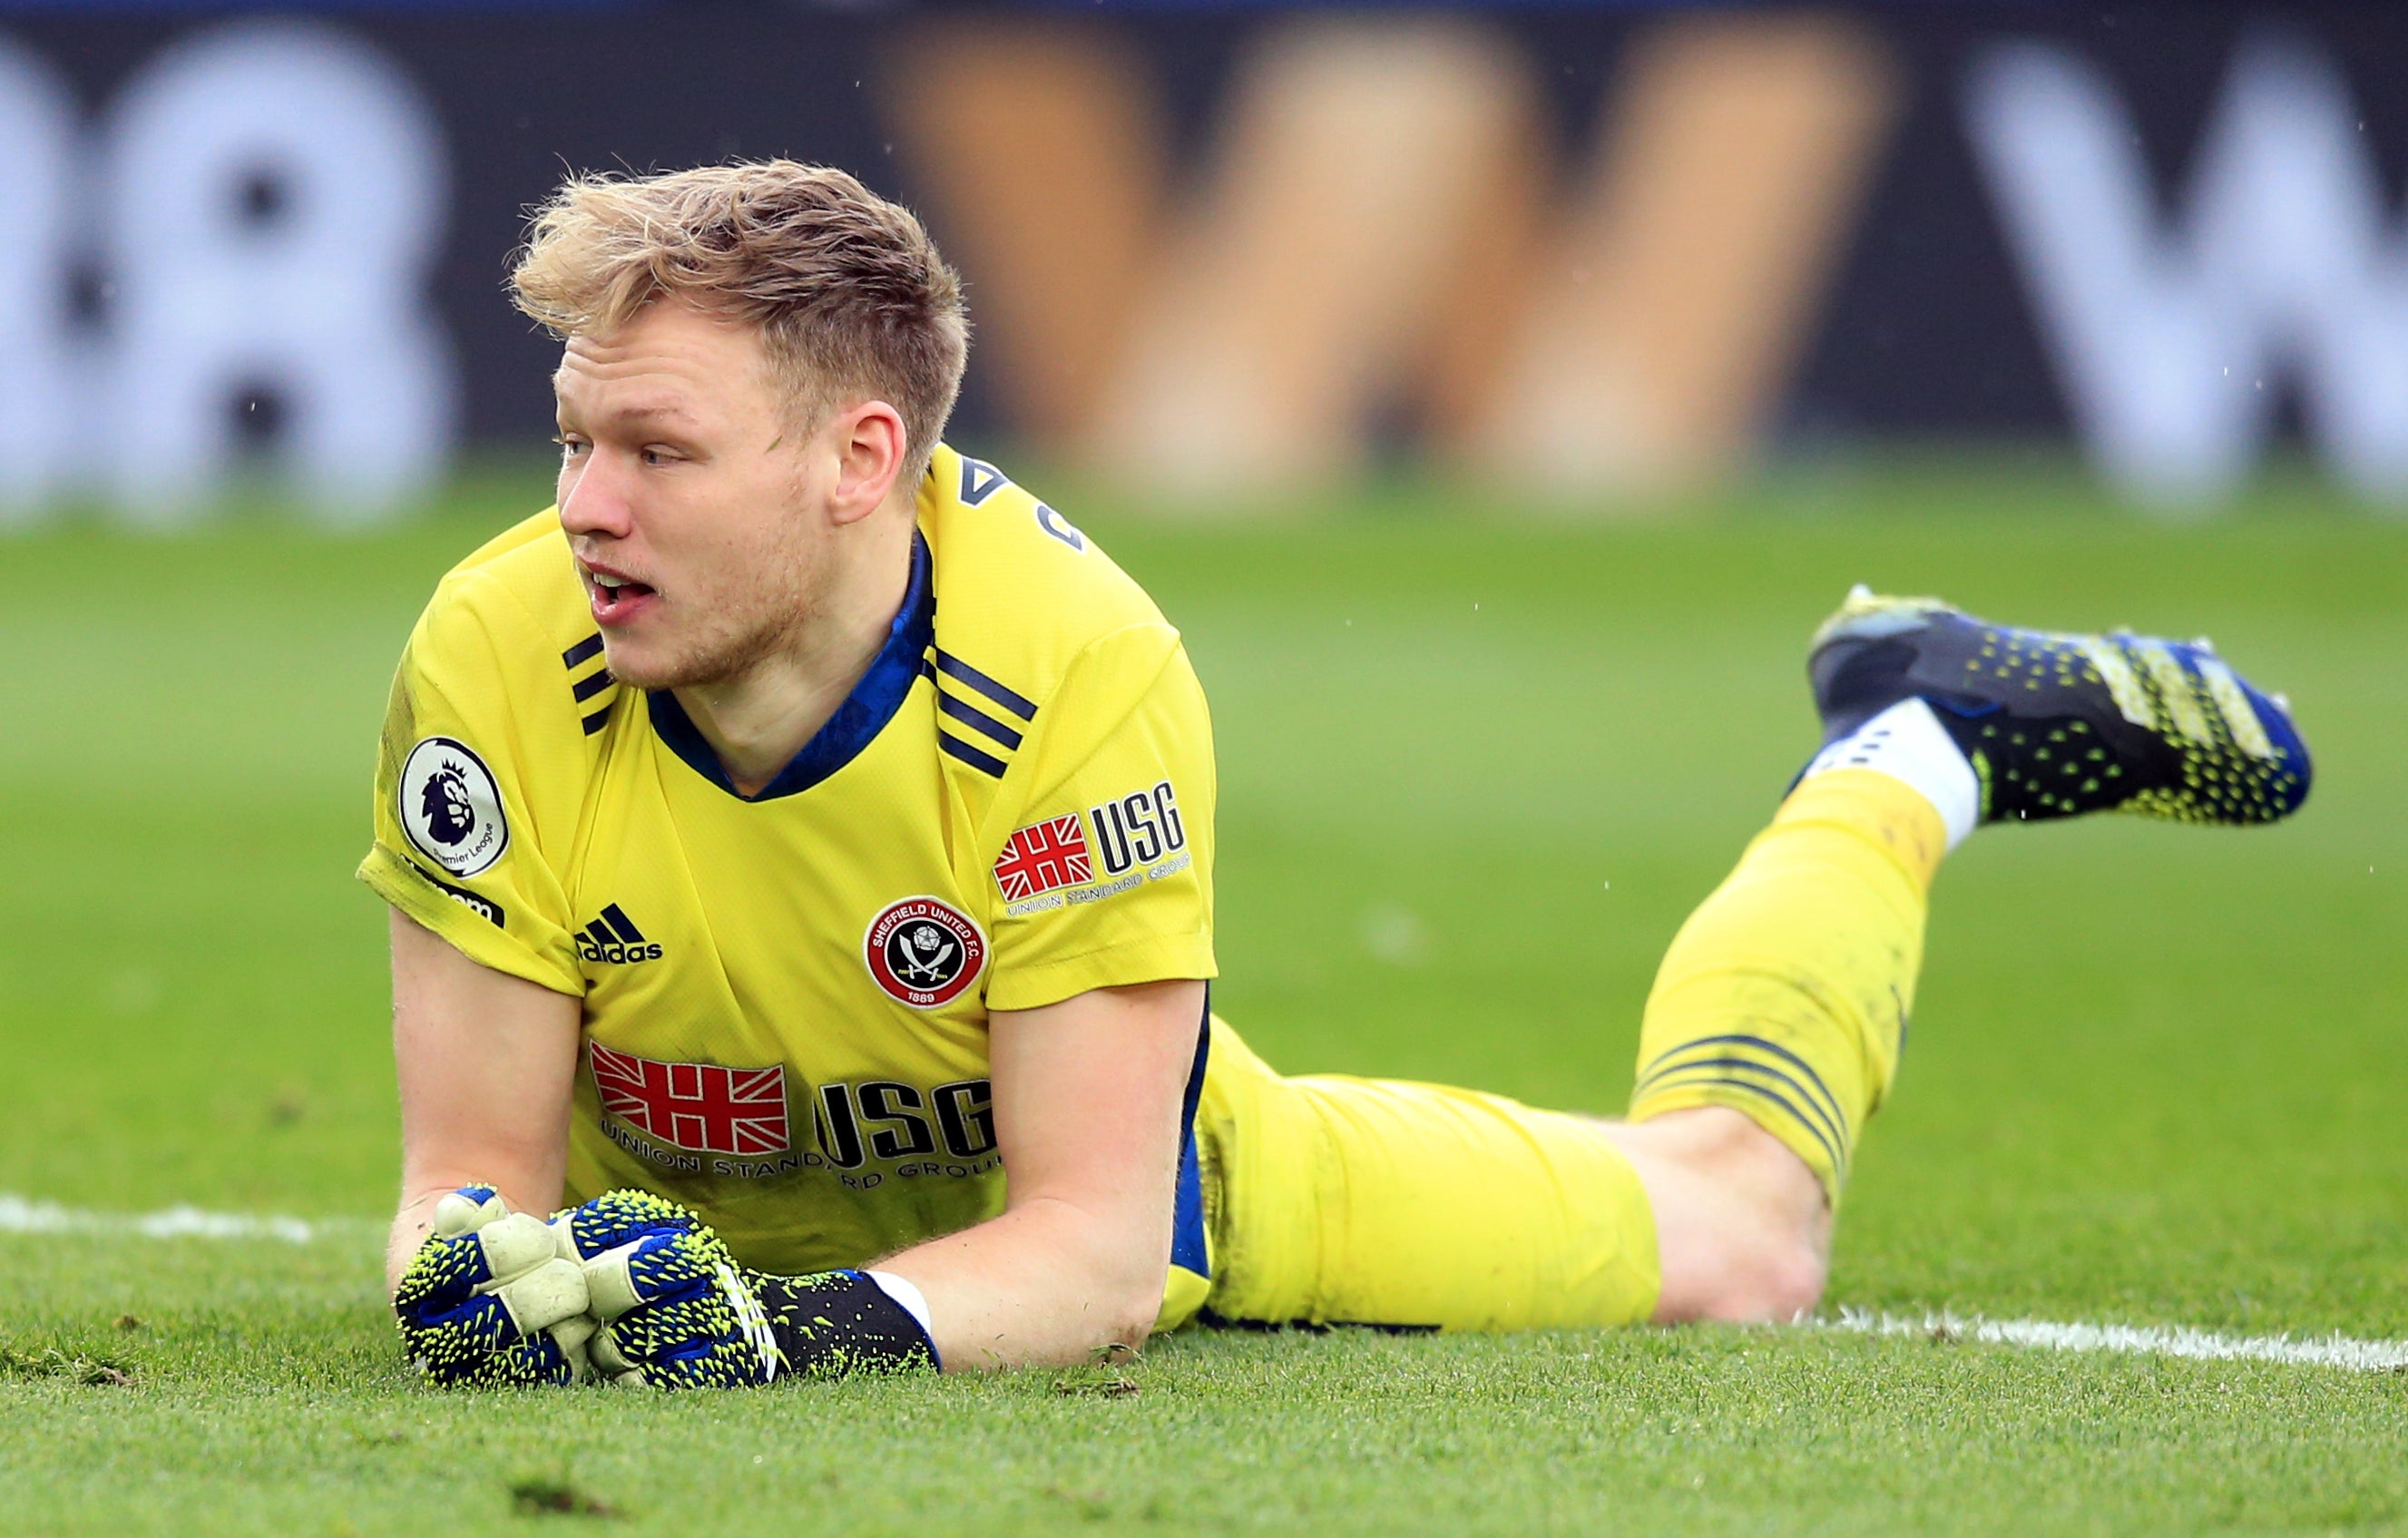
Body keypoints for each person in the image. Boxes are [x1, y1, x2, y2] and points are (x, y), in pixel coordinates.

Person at [366, 161, 2311, 1388]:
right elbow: (461, 1179)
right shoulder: (492, 652)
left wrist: (784, 1337)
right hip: (721, 1241)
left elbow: (1093, 1250)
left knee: (1741, 1236)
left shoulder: (1068, 666)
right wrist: (471, 1278)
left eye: (656, 453)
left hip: (1195, 1193)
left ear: (859, 458)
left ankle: (1907, 744)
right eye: (568, 441)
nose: (585, 508)